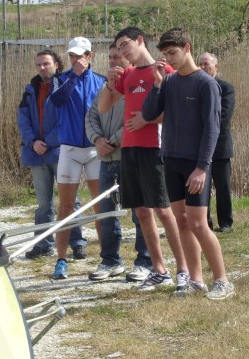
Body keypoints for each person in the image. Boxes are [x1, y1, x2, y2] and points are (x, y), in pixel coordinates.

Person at [142, 27, 233, 300]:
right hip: (171, 159)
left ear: (187, 48)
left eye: (173, 53)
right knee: (182, 222)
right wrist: (157, 84)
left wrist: (202, 168)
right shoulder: (169, 82)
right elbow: (149, 113)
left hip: (195, 164)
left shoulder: (206, 83)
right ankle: (196, 280)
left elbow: (212, 129)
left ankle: (223, 281)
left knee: (198, 224)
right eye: (166, 54)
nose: (169, 59)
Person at [99, 26, 188, 291]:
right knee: (141, 211)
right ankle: (159, 270)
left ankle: (183, 269)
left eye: (125, 45)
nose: (122, 52)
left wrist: (148, 119)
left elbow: (177, 112)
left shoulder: (164, 69)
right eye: (118, 48)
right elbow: (104, 107)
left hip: (155, 148)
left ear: (140, 41)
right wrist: (109, 84)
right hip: (129, 149)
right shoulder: (127, 74)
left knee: (164, 210)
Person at [85, 44, 152, 280]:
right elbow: (91, 116)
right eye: (111, 57)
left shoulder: (136, 86)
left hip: (129, 158)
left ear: (128, 59)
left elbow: (137, 120)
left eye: (118, 57)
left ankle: (145, 261)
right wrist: (97, 140)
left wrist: (112, 141)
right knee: (106, 213)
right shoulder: (106, 88)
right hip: (106, 160)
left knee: (139, 212)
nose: (114, 61)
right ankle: (110, 261)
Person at [17, 49, 85, 259]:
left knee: (70, 201)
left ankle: (77, 243)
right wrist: (32, 142)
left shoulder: (64, 86)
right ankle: (43, 244)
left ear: (56, 65)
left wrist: (48, 142)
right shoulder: (30, 90)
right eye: (38, 64)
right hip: (36, 153)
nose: (42, 68)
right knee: (43, 204)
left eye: (46, 63)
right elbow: (23, 119)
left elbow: (67, 119)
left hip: (61, 152)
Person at [49, 37, 106, 279]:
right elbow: (57, 101)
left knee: (101, 206)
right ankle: (61, 260)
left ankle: (107, 258)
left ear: (90, 56)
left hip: (95, 151)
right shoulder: (60, 79)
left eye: (80, 55)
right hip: (69, 151)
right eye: (71, 56)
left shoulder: (102, 81)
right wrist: (73, 76)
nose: (75, 60)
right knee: (65, 207)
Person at [199, 52, 235, 233]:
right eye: (200, 64)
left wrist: (204, 126)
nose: (203, 67)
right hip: (199, 146)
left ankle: (225, 222)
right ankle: (205, 222)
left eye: (206, 63)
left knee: (223, 186)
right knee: (201, 188)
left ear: (216, 67)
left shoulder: (225, 87)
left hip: (220, 146)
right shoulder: (196, 87)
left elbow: (224, 116)